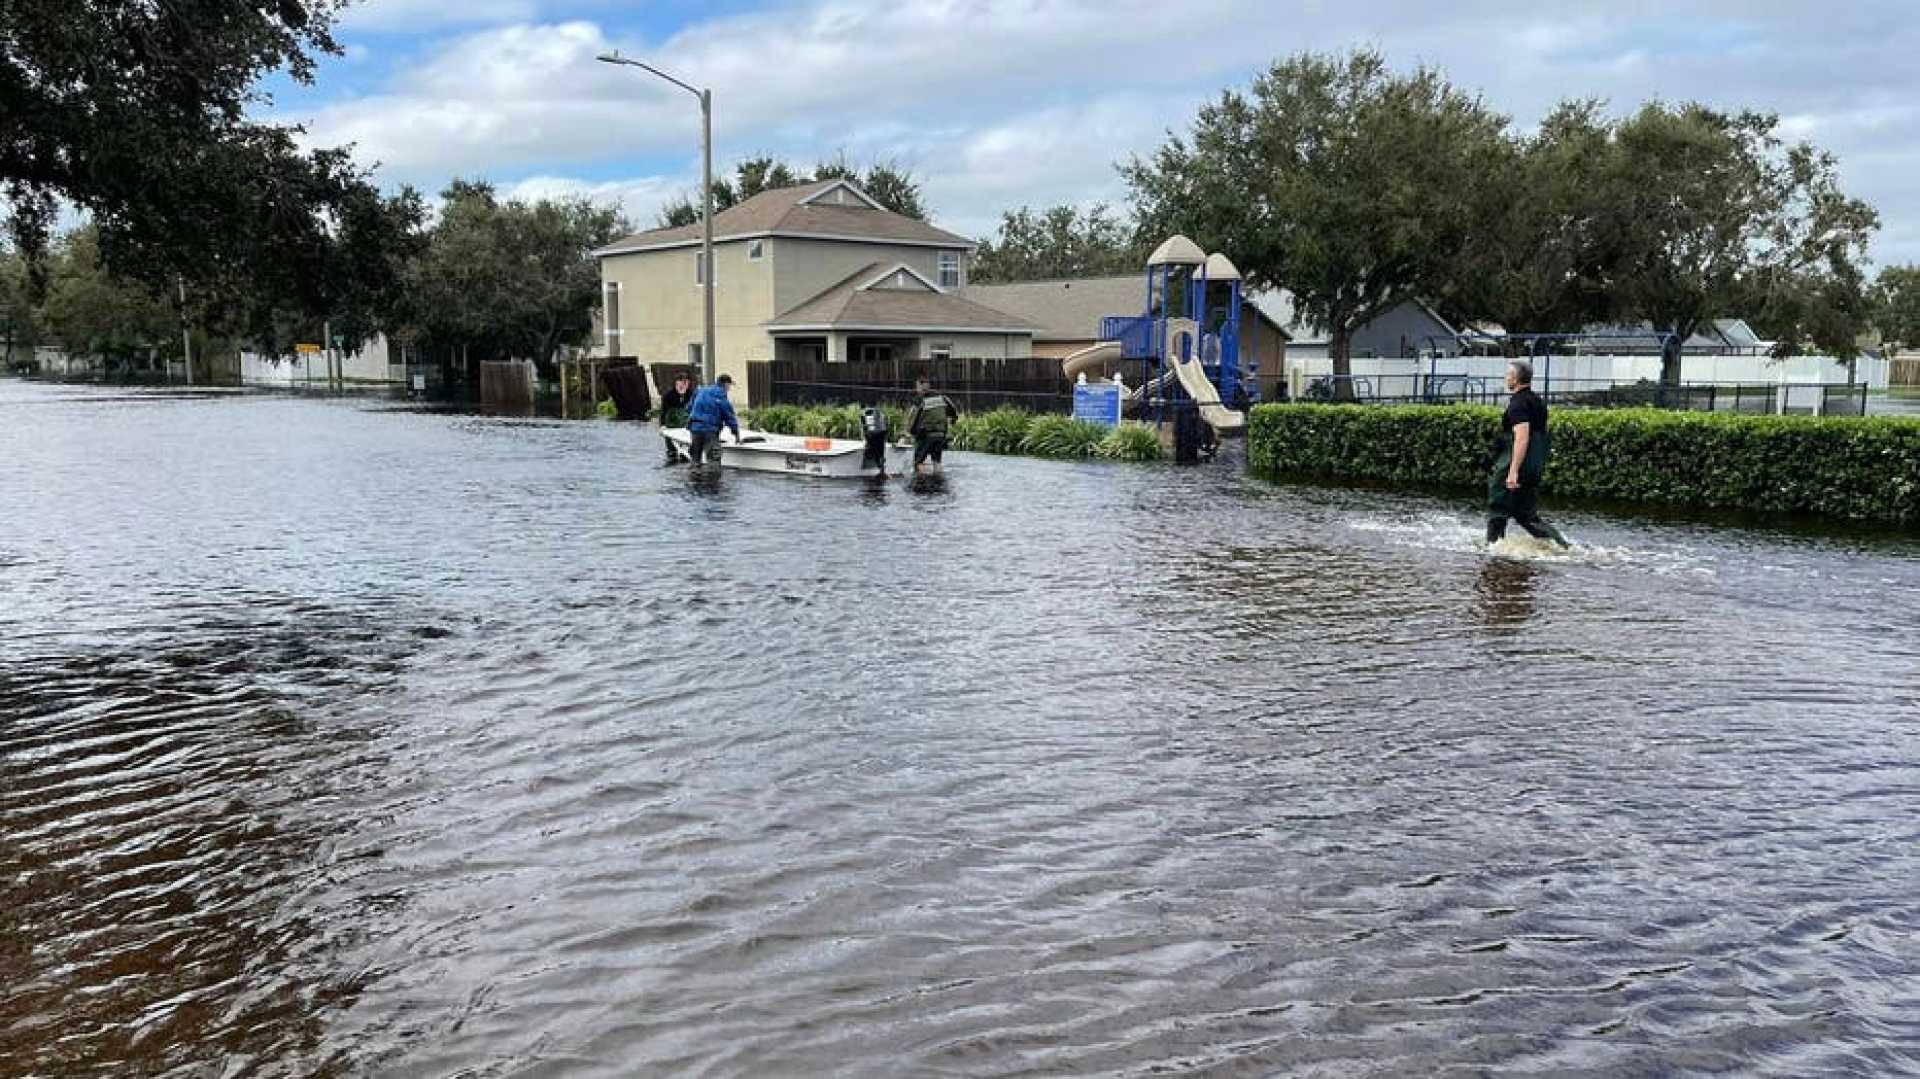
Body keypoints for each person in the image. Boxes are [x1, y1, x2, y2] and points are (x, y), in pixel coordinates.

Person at [1487, 360, 1571, 548]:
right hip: (1534, 465)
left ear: (1515, 379)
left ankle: (1491, 552)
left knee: (1498, 510)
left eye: (1508, 375)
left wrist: (1513, 471)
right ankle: (1562, 546)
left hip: (1515, 462)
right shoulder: (1537, 401)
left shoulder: (1518, 403)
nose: (1506, 378)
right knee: (1527, 515)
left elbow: (1522, 437)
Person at [903, 376, 959, 472]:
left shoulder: (920, 400)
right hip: (941, 434)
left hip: (926, 434)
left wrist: (909, 433)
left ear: (921, 386)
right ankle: (938, 482)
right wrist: (953, 419)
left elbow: (914, 418)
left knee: (918, 463)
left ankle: (920, 484)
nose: (916, 389)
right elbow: (953, 410)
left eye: (917, 386)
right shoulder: (942, 397)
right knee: (937, 462)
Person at [685, 373, 740, 464]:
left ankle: (694, 476)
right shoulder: (721, 396)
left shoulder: (700, 391)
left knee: (695, 459)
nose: (729, 389)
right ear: (726, 384)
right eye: (729, 386)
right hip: (710, 430)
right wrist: (736, 433)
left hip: (694, 428)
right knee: (713, 459)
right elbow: (729, 416)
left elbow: (689, 408)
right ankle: (712, 476)